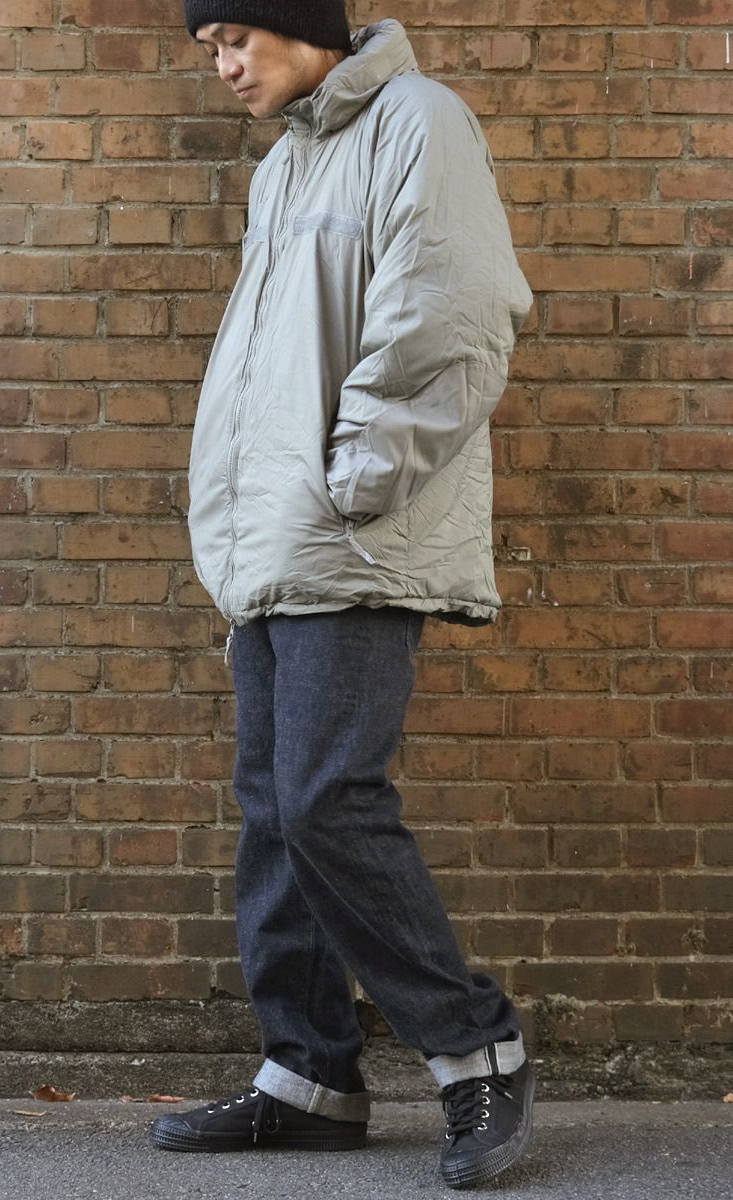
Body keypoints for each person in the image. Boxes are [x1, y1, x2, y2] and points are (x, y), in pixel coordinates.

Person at [151, 2, 535, 1189]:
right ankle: (308, 1076)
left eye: (233, 38)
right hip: (277, 540)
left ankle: (475, 1046)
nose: (223, 66)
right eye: (208, 50)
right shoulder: (287, 165)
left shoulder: (416, 120)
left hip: (351, 538)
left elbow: (451, 311)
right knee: (274, 809)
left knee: (326, 798)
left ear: (295, 20)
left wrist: (354, 481)